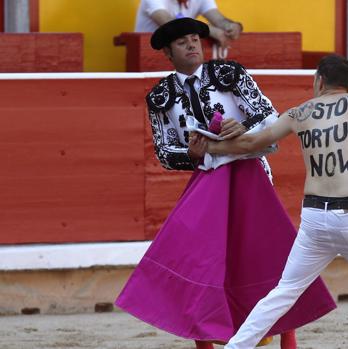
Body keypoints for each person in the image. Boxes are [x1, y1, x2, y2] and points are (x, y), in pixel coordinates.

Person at [115, 18, 336, 349]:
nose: (192, 45)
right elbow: (164, 153)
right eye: (182, 42)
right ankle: (206, 340)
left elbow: (269, 117)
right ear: (167, 53)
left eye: (195, 39)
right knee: (204, 260)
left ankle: (287, 339)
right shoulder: (160, 96)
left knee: (264, 256)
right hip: (207, 182)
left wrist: (241, 128)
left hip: (250, 172)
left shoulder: (229, 74)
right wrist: (191, 155)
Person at [199, 54, 348, 349]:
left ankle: (237, 347)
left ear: (320, 80)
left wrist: (209, 145)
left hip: (315, 218)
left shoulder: (300, 113)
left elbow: (251, 143)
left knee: (285, 291)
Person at [135, 0, 243, 48]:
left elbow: (219, 20)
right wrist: (208, 30)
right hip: (149, 53)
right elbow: (170, 23)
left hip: (177, 56)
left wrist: (232, 27)